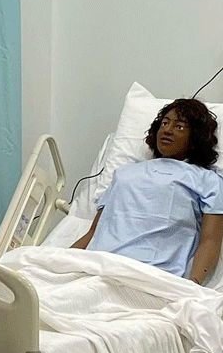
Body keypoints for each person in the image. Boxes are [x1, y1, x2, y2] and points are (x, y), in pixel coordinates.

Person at [72, 98, 223, 285]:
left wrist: (193, 284)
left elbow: (210, 241)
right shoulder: (123, 173)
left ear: (195, 138)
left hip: (152, 275)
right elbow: (95, 231)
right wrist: (62, 259)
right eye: (165, 123)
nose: (167, 130)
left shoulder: (207, 180)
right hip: (97, 266)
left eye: (179, 127)